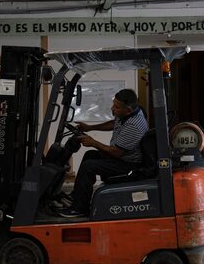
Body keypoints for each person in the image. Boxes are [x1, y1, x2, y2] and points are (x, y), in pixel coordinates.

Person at [54, 89, 149, 218]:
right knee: (90, 155)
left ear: (128, 110)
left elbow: (117, 153)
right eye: (113, 104)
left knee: (89, 166)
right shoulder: (127, 114)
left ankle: (79, 208)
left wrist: (94, 142)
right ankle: (78, 196)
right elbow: (113, 124)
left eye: (116, 107)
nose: (112, 108)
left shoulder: (134, 125)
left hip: (128, 164)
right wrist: (89, 127)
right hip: (122, 158)